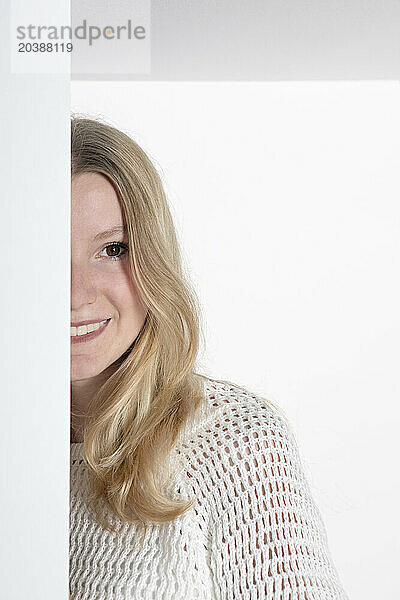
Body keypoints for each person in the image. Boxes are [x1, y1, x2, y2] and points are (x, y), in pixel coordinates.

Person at [70, 114, 349, 600]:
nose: (75, 295)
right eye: (42, 253)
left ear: (154, 260)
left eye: (113, 249)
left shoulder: (236, 445)